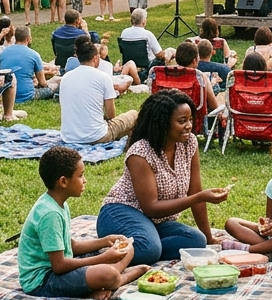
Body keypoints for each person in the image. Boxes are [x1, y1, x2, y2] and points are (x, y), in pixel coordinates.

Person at [96, 89, 228, 265]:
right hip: (121, 213)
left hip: (156, 223)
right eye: (182, 121)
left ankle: (140, 244)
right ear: (163, 123)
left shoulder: (189, 143)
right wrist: (200, 197)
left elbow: (195, 190)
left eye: (190, 119)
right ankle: (131, 248)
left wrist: (209, 236)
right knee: (149, 248)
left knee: (197, 240)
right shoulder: (141, 153)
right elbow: (151, 207)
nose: (189, 125)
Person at [19, 146, 147, 299]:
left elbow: (70, 246)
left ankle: (106, 278)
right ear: (63, 182)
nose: (84, 180)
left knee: (127, 246)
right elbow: (59, 266)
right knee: (108, 273)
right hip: (43, 280)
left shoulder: (59, 203)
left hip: (62, 266)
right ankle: (118, 278)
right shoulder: (50, 214)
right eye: (80, 175)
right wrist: (103, 259)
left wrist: (104, 242)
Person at [58, 37, 138, 144]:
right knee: (133, 114)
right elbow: (111, 116)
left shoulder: (66, 77)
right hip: (96, 136)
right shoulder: (103, 77)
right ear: (96, 58)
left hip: (68, 136)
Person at [1, 26, 48, 106]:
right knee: (55, 83)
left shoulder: (3, 53)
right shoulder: (34, 55)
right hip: (26, 95)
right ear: (28, 38)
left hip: (5, 95)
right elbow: (43, 83)